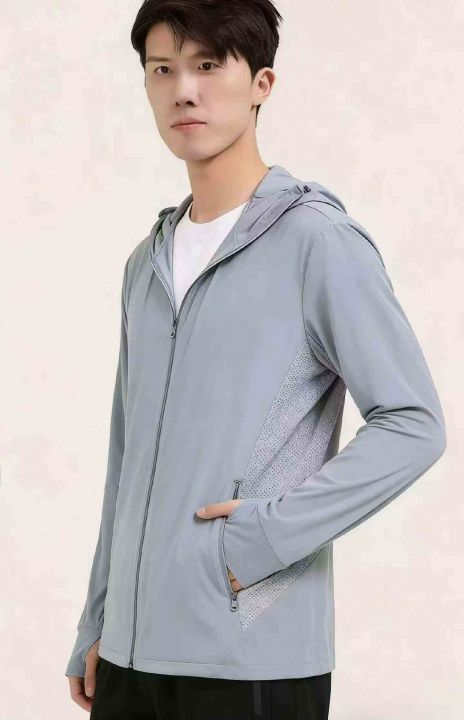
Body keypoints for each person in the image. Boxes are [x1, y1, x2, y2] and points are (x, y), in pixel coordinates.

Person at [65, 1, 447, 718]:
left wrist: (261, 538)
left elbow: (413, 423)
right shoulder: (145, 263)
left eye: (208, 65)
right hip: (127, 659)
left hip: (250, 658)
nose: (184, 90)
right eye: (162, 70)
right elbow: (126, 456)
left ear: (261, 84)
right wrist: (100, 617)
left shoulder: (318, 243)